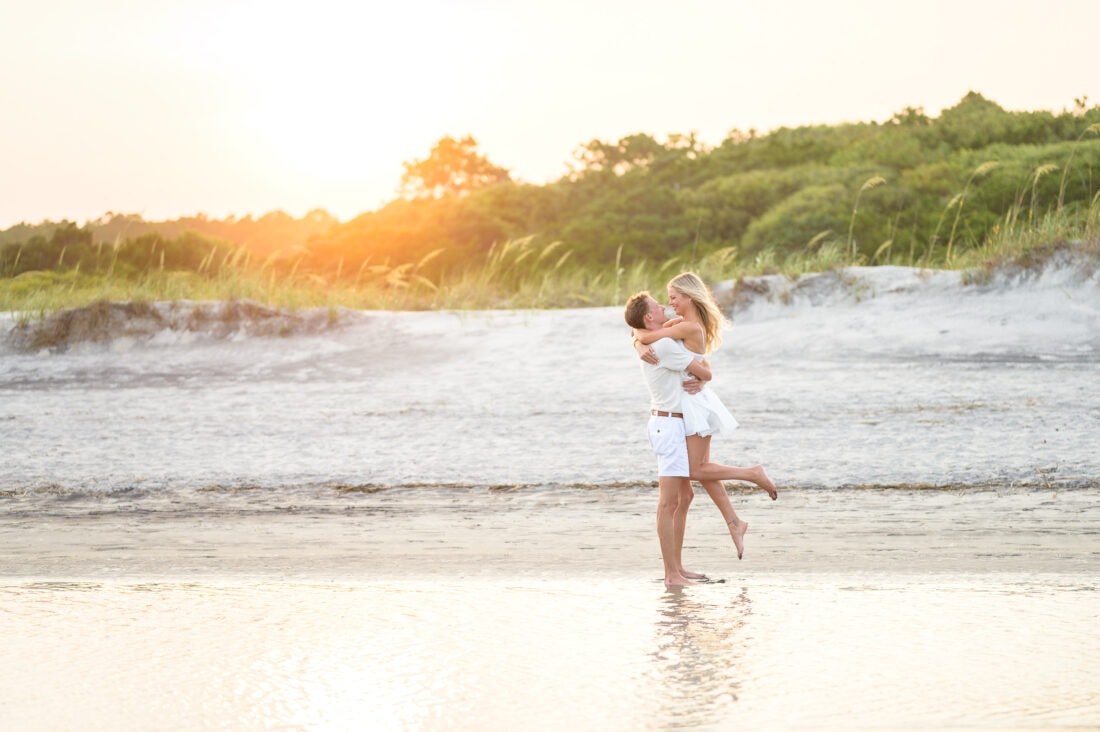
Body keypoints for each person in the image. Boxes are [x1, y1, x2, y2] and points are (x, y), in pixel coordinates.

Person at [632, 272, 777, 560]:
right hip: (689, 401)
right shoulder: (683, 324)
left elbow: (651, 335)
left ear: (689, 297)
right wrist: (638, 340)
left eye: (674, 296)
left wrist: (638, 341)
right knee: (703, 469)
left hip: (693, 404)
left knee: (698, 470)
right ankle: (735, 522)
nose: (669, 302)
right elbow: (661, 342)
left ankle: (752, 474)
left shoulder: (686, 327)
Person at [624, 291, 714, 587]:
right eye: (657, 306)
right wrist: (702, 375)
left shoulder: (658, 337)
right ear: (650, 317)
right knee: (668, 502)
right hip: (667, 425)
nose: (664, 306)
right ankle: (671, 574)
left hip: (673, 423)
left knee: (684, 496)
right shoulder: (664, 345)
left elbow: (637, 329)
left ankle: (677, 566)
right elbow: (703, 371)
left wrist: (637, 341)